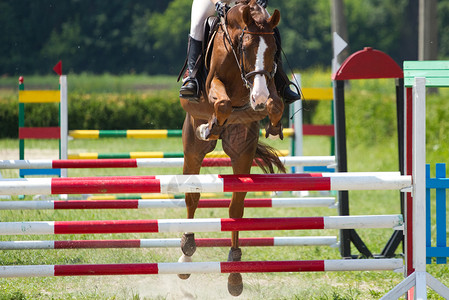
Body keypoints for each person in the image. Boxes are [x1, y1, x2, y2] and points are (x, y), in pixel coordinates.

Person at [180, 0, 301, 104]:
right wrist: (217, 3)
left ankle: (281, 83)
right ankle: (192, 77)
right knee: (197, 25)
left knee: (270, 28)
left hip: (246, 2)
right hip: (214, 1)